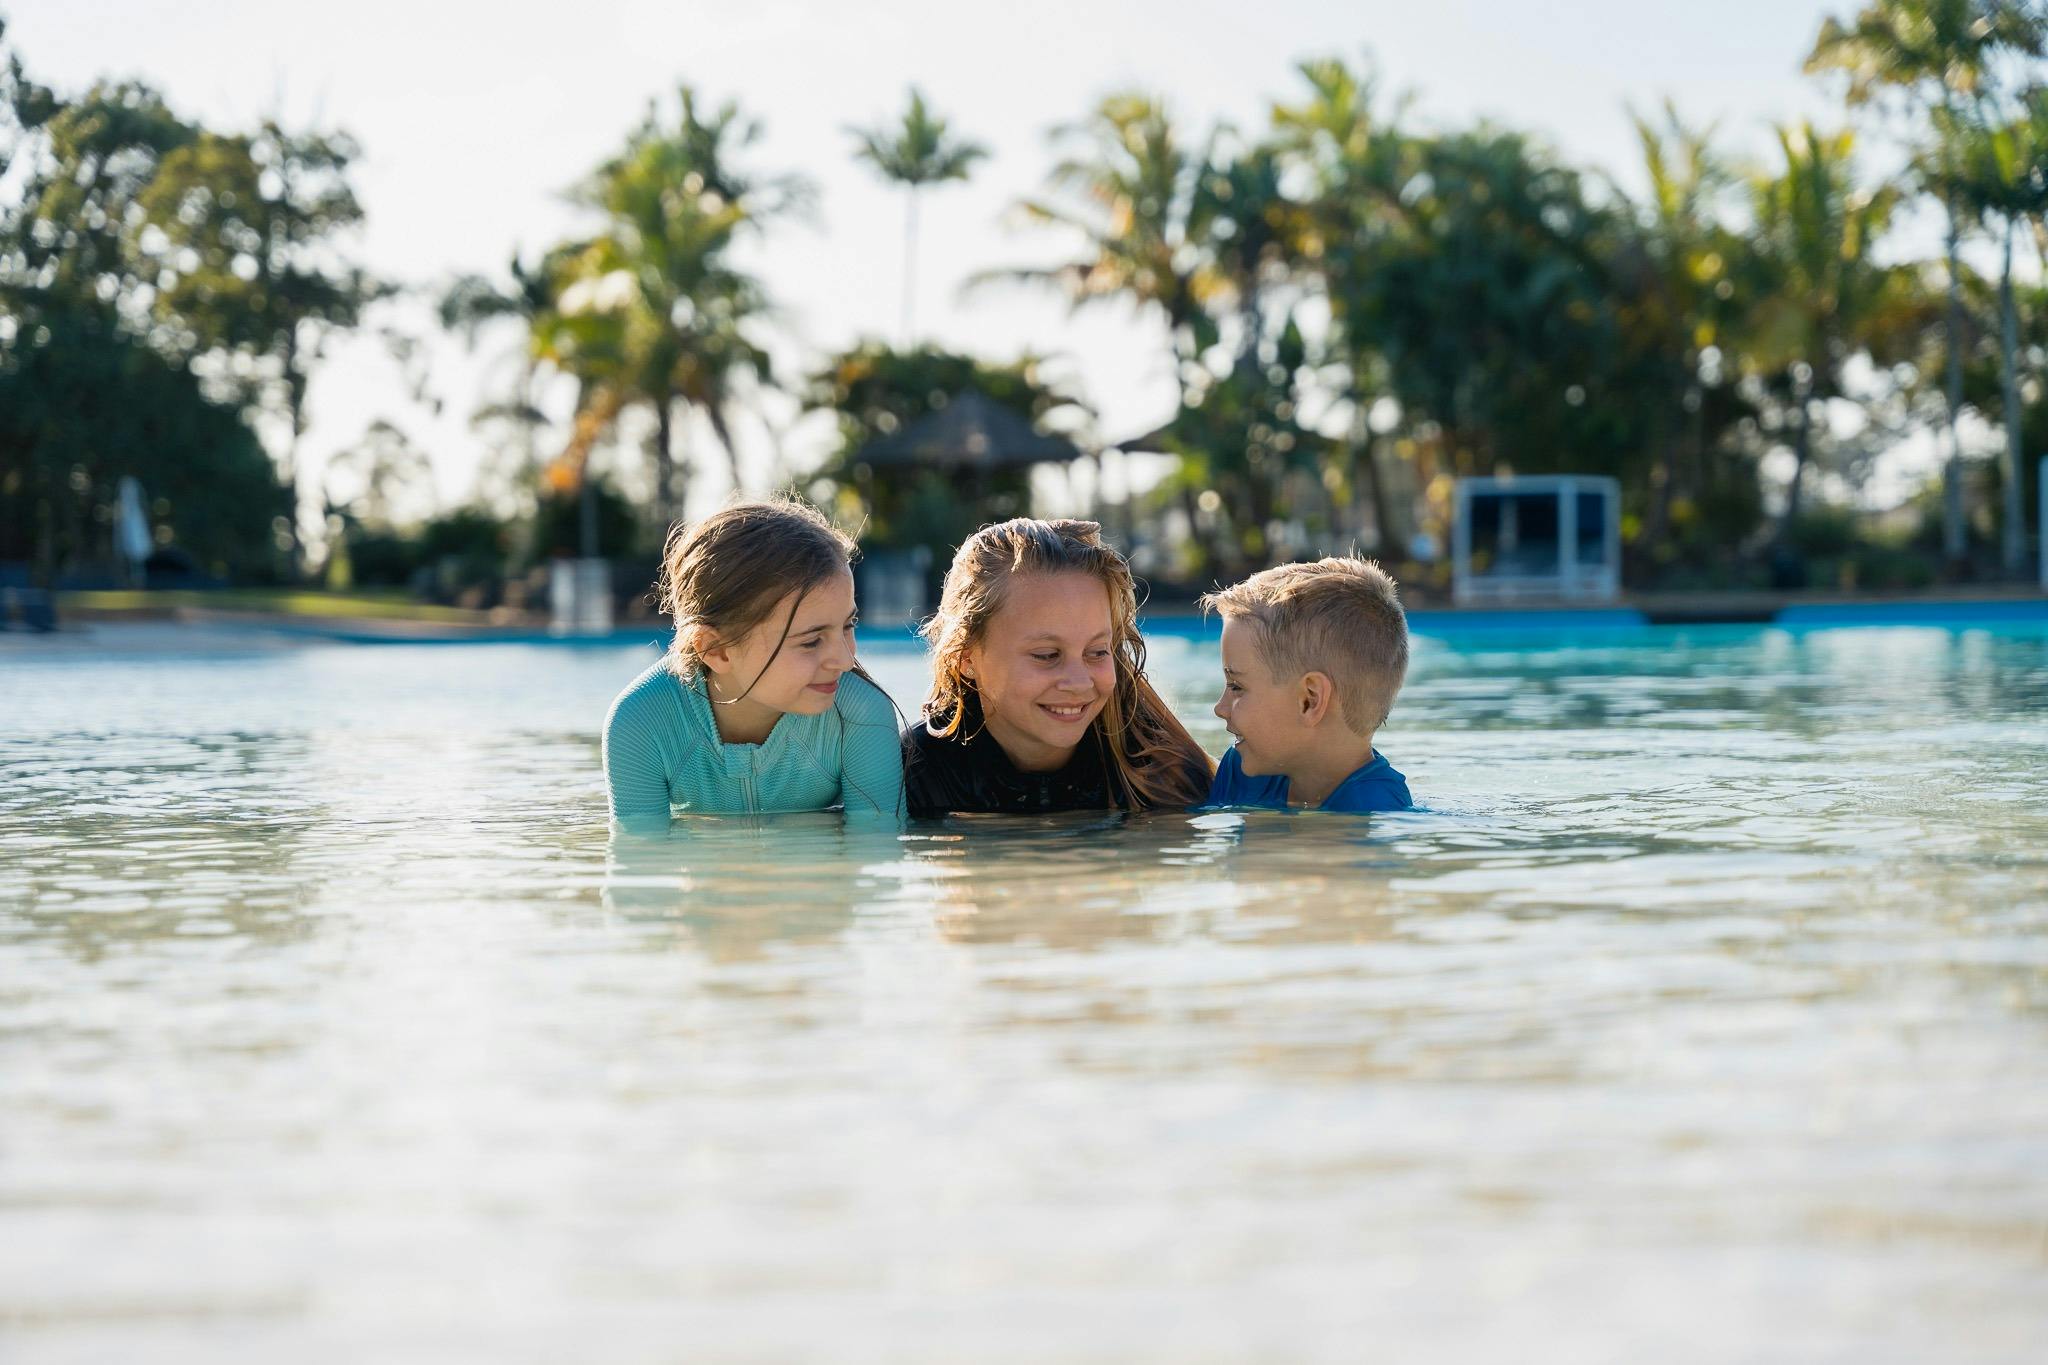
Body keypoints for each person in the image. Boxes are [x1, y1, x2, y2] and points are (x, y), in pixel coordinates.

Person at [603, 498, 903, 834]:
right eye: (810, 641)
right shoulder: (642, 722)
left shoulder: (859, 712)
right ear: (716, 650)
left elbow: (878, 849)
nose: (846, 660)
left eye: (848, 625)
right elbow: (639, 862)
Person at [904, 518, 1212, 816]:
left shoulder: (1160, 773)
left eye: (1097, 652)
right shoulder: (911, 775)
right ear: (966, 657)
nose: (1079, 682)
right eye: (1047, 655)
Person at [1200, 557, 1414, 813]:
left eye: (1236, 687)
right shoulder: (1242, 768)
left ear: (1309, 700)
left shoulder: (1373, 805)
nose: (1220, 708)